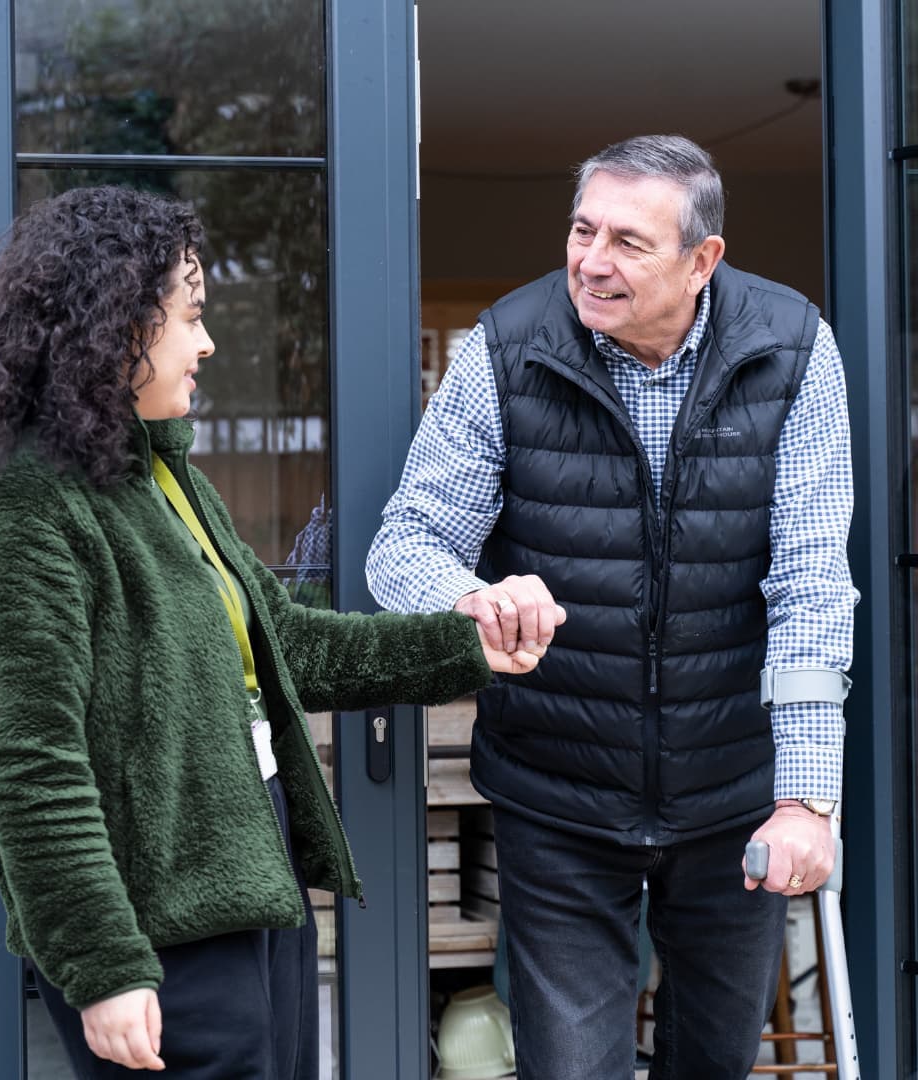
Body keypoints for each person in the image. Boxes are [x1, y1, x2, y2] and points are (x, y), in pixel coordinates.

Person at [0, 185, 540, 1079]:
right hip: (156, 927)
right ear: (113, 326)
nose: (206, 343)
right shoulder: (18, 501)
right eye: (190, 316)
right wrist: (102, 965)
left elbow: (286, 646)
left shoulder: (161, 476)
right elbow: (33, 762)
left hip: (256, 880)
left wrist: (463, 646)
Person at [366, 134, 857, 1078]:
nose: (591, 261)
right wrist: (474, 596)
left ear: (702, 259)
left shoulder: (793, 347)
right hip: (560, 788)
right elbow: (405, 545)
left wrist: (804, 799)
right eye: (581, 230)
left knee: (713, 1059)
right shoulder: (505, 349)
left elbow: (809, 580)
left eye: (629, 242)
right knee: (572, 1066)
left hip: (733, 793)